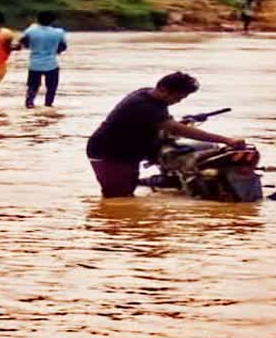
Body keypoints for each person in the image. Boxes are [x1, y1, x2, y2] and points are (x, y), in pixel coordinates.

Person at [86, 72, 245, 198]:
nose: (179, 101)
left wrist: (185, 121)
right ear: (163, 90)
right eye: (178, 97)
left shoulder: (148, 95)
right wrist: (227, 140)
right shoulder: (142, 105)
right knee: (118, 198)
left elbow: (165, 123)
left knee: (127, 193)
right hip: (109, 153)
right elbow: (176, 129)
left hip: (130, 151)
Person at [17, 10, 67, 108]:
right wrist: (55, 51)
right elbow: (63, 47)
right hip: (51, 64)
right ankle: (48, 105)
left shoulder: (31, 30)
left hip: (35, 64)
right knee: (51, 88)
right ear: (53, 21)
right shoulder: (58, 32)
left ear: (38, 20)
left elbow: (23, 43)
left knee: (32, 87)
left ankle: (29, 104)